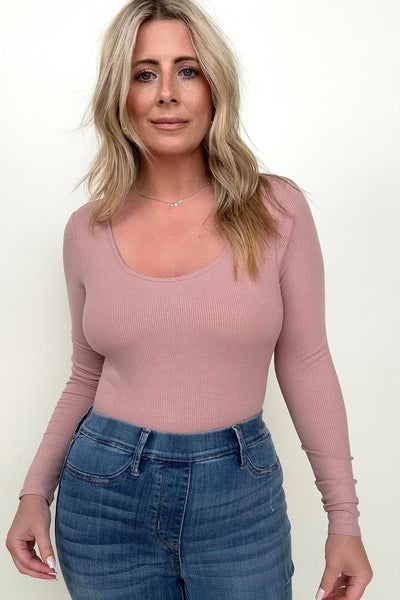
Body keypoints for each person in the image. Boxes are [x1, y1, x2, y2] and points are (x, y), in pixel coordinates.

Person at [6, 1, 373, 599]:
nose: (167, 94)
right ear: (119, 96)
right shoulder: (86, 230)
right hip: (102, 502)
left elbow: (306, 362)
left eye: (188, 70)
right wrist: (33, 493)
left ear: (214, 86)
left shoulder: (276, 209)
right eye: (144, 74)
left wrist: (344, 520)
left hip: (240, 501)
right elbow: (84, 376)